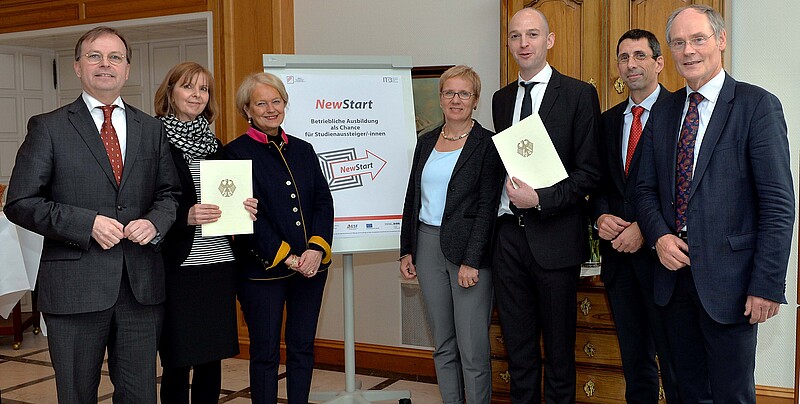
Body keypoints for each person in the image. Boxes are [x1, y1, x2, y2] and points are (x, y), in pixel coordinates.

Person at [3, 26, 180, 403]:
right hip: (74, 289)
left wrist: (155, 222)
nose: (105, 64)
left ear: (127, 70)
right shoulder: (48, 127)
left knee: (140, 396)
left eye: (115, 57)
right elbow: (20, 201)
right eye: (94, 56)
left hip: (140, 289)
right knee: (77, 394)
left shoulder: (150, 129)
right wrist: (87, 224)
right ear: (77, 68)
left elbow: (169, 194)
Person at [634, 5, 795, 403]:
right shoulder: (665, 110)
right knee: (686, 391)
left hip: (734, 287)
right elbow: (644, 190)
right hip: (673, 282)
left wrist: (767, 285)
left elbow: (778, 204)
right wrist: (658, 237)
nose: (688, 51)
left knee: (732, 395)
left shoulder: (756, 105)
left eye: (698, 39)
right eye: (678, 42)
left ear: (720, 41)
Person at [491, 7, 602, 403]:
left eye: (533, 35)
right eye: (516, 36)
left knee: (558, 355)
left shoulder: (578, 94)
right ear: (508, 43)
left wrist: (540, 199)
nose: (524, 43)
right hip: (507, 240)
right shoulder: (500, 99)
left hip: (555, 240)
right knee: (518, 353)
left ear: (549, 40)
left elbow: (589, 173)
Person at [225, 72, 334, 404]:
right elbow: (243, 221)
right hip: (261, 273)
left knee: (302, 348)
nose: (271, 109)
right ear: (247, 109)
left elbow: (322, 202)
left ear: (285, 104)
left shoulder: (303, 149)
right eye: (261, 103)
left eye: (276, 101)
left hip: (311, 269)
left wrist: (316, 249)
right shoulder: (232, 154)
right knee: (265, 354)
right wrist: (287, 256)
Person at [153, 61, 258, 403]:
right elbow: (139, 203)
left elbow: (226, 196)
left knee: (212, 359)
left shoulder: (216, 145)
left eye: (204, 89)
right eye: (188, 86)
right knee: (178, 360)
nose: (197, 95)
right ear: (170, 92)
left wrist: (244, 209)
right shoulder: (150, 142)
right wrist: (185, 216)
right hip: (178, 267)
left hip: (219, 264)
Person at [399, 65, 503, 404]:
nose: (455, 100)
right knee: (443, 344)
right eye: (449, 93)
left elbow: (488, 206)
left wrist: (472, 260)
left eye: (464, 94)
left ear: (475, 100)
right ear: (440, 97)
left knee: (472, 349)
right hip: (427, 247)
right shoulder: (426, 141)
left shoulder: (487, 144)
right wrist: (407, 250)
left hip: (468, 254)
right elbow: (412, 198)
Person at [592, 29, 680, 404]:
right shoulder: (608, 121)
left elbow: (685, 189)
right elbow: (597, 183)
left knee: (676, 362)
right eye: (624, 57)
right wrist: (599, 218)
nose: (632, 64)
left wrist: (646, 228)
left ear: (659, 63)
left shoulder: (680, 113)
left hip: (664, 261)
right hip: (618, 262)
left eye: (641, 56)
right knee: (635, 362)